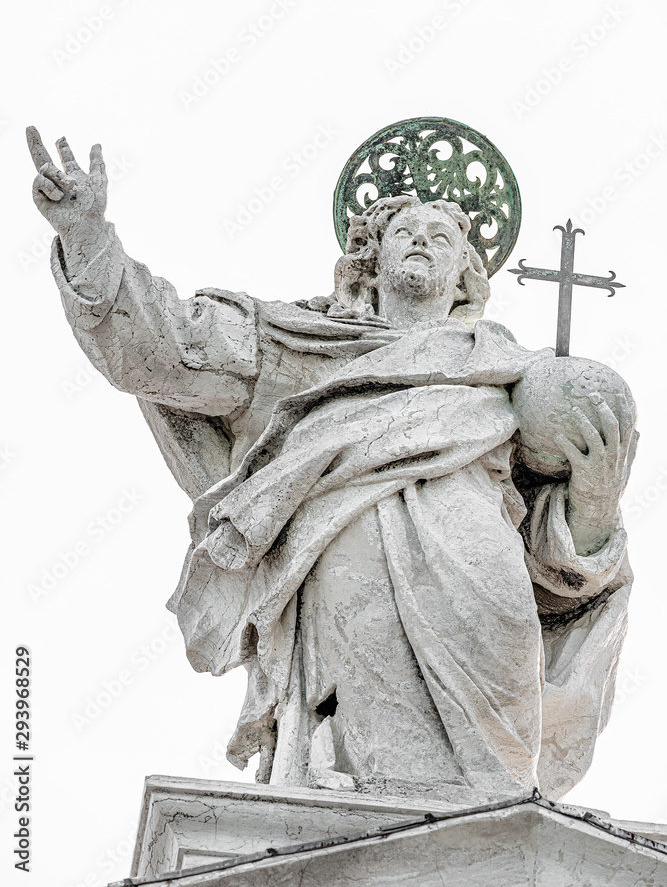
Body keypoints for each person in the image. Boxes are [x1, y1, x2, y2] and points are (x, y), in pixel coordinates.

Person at [28, 127, 636, 804]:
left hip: (480, 559)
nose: (422, 242)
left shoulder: (507, 375)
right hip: (344, 555)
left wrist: (594, 504)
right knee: (370, 755)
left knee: (496, 770)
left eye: (442, 237)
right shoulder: (293, 344)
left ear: (465, 270)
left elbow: (564, 578)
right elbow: (158, 346)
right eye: (406, 230)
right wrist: (87, 237)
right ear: (368, 256)